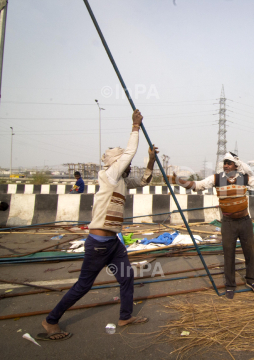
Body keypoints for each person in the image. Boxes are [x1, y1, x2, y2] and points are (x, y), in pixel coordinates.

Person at [38, 109, 158, 341]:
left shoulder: (121, 181)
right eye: (126, 161)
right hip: (99, 244)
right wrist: (135, 126)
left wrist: (151, 160)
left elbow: (144, 180)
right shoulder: (110, 175)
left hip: (113, 243)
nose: (129, 164)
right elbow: (130, 151)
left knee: (126, 278)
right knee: (84, 285)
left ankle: (125, 316)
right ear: (117, 162)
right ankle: (51, 320)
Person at [176, 152, 254, 300]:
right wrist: (178, 180)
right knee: (229, 254)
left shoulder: (244, 179)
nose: (226, 165)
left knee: (249, 251)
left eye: (229, 163)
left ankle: (251, 280)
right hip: (228, 223)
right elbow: (197, 185)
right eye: (224, 163)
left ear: (236, 166)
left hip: (245, 222)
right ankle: (230, 286)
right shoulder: (216, 179)